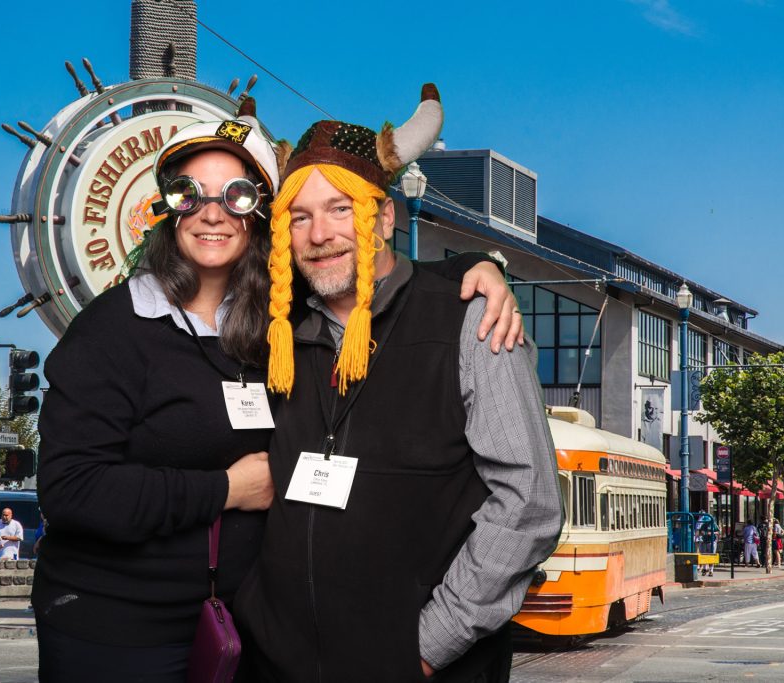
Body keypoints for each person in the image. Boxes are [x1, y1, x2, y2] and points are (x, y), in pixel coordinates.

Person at [34, 99, 522, 683]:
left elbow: (375, 282)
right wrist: (224, 490)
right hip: (117, 629)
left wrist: (475, 268)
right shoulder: (114, 329)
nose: (211, 214)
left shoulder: (273, 325)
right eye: (189, 194)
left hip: (239, 634)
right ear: (165, 209)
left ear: (257, 214)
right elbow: (70, 490)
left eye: (236, 195)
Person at [236, 84, 563, 681]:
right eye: (299, 216)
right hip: (282, 663)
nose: (319, 234)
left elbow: (528, 503)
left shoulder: (471, 321)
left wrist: (431, 644)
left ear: (384, 217)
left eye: (342, 209)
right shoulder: (277, 334)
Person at [696, 512, 718, 577]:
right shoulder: (703, 525)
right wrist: (700, 533)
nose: (706, 522)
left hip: (712, 542)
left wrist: (712, 533)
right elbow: (700, 532)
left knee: (712, 556)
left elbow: (718, 532)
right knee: (705, 556)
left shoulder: (713, 525)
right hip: (704, 541)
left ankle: (711, 570)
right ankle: (705, 569)